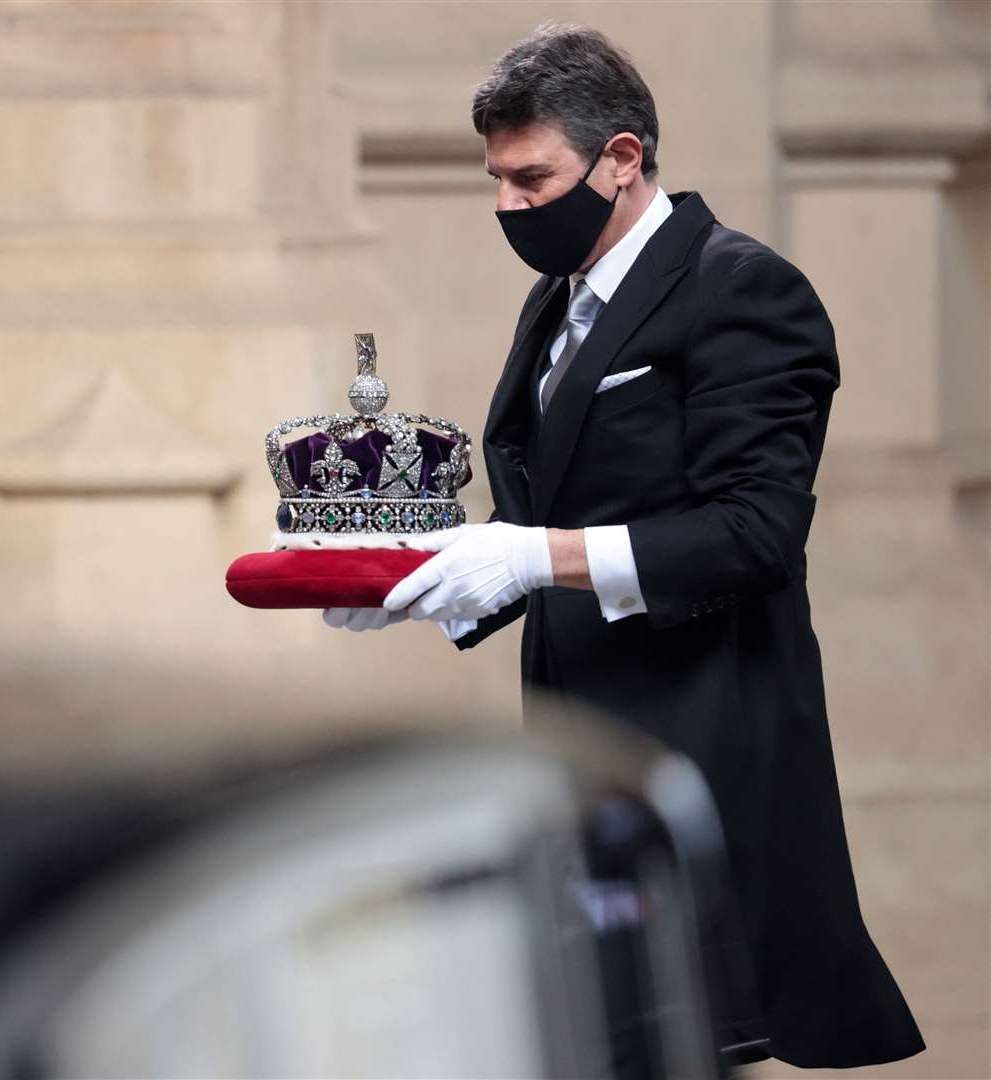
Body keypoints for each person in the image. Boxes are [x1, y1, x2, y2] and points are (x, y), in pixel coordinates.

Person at [325, 23, 924, 1072]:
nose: (507, 207)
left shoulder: (744, 289)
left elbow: (752, 533)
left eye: (529, 179)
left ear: (620, 158)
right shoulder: (555, 299)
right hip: (577, 745)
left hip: (705, 745)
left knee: (682, 1042)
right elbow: (557, 508)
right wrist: (433, 585)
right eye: (495, 182)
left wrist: (526, 556)